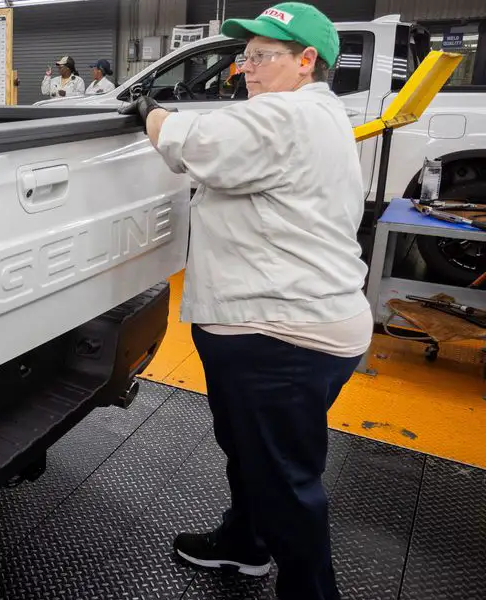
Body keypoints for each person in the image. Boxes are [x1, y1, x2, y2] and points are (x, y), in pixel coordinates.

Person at [119, 3, 369, 599]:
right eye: (245, 56)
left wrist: (149, 111)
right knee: (254, 453)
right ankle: (244, 544)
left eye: (263, 56)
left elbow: (187, 141)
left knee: (286, 480)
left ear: (308, 62)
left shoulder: (285, 115)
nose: (247, 69)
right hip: (296, 321)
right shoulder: (320, 113)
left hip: (281, 333)